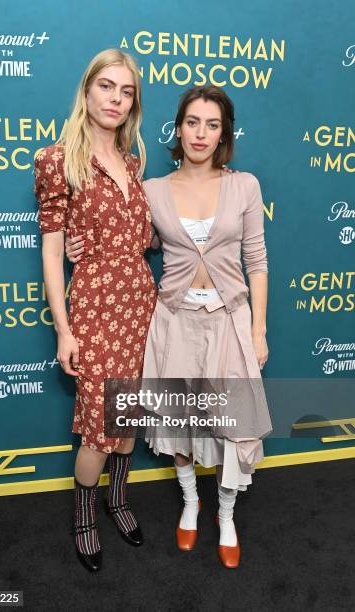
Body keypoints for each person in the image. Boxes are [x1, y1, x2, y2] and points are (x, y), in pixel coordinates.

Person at [66, 85, 272, 569]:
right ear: (178, 128)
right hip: (173, 320)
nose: (201, 133)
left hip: (228, 320)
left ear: (225, 134)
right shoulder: (152, 189)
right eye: (193, 122)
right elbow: (130, 237)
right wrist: (78, 246)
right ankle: (190, 504)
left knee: (230, 426)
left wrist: (258, 330)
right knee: (177, 423)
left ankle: (224, 515)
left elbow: (257, 262)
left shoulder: (245, 185)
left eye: (213, 124)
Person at [34, 48, 157, 573]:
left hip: (140, 304)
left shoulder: (134, 163)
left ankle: (118, 500)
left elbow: (143, 236)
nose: (116, 99)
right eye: (107, 86)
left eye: (126, 91)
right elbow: (51, 249)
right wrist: (64, 331)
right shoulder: (56, 159)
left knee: (127, 415)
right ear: (86, 91)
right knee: (96, 425)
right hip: (95, 308)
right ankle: (84, 515)